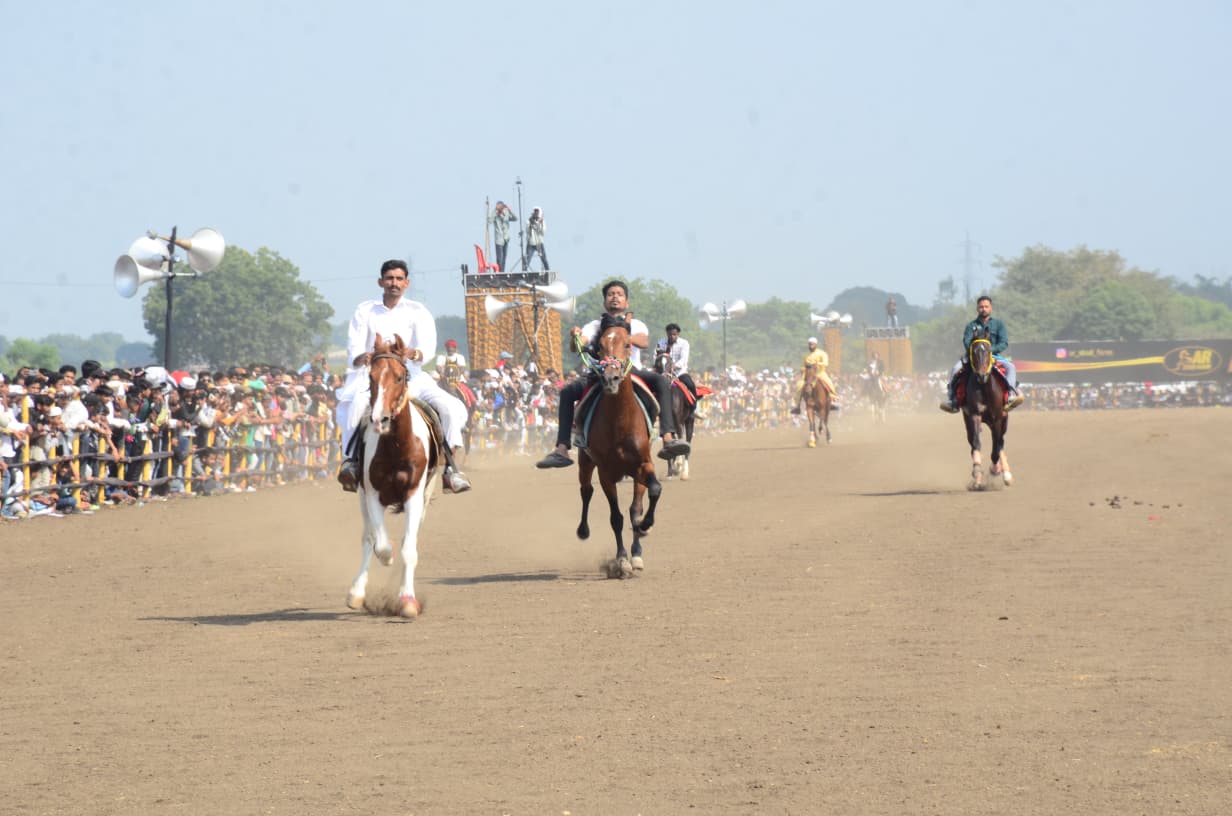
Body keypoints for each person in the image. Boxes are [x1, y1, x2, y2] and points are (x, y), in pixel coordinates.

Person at [335, 259, 472, 493]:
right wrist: (363, 357)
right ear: (381, 281)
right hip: (374, 377)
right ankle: (351, 462)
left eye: (399, 279)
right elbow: (354, 346)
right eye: (389, 278)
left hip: (412, 376)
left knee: (450, 406)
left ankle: (450, 470)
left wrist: (413, 353)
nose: (394, 283)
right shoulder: (364, 310)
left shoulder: (418, 311)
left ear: (406, 283)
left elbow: (427, 348)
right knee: (356, 405)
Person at [536, 279, 691, 468]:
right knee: (567, 392)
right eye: (610, 294)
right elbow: (578, 346)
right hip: (600, 372)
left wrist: (620, 336)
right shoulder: (594, 325)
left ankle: (668, 437)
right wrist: (575, 337)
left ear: (627, 302)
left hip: (630, 370)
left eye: (619, 294)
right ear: (604, 302)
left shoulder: (636, 323)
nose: (615, 297)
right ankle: (562, 448)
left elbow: (643, 341)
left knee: (661, 381)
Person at [939, 294, 1025, 413]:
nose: (983, 309)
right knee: (955, 368)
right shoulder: (971, 326)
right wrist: (976, 351)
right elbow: (967, 341)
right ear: (977, 309)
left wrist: (989, 351)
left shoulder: (998, 325)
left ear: (991, 308)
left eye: (986, 306)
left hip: (993, 356)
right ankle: (952, 400)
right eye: (981, 307)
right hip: (973, 357)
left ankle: (1010, 395)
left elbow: (1004, 342)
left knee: (1011, 367)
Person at [790, 337, 840, 414]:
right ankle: (797, 406)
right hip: (808, 375)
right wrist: (802, 369)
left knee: (829, 383)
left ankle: (833, 401)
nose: (810, 346)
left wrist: (816, 364)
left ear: (816, 344)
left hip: (820, 373)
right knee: (799, 385)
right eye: (809, 344)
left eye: (812, 344)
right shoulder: (806, 355)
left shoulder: (822, 353)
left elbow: (825, 363)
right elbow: (802, 366)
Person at [655, 323, 698, 399]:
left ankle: (693, 404)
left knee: (690, 384)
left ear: (678, 334)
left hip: (679, 373)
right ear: (667, 334)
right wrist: (661, 366)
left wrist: (673, 367)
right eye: (669, 334)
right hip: (663, 372)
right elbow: (656, 356)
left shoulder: (684, 343)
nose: (672, 336)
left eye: (674, 334)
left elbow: (684, 359)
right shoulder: (661, 342)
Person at [489, 200, 517, 272]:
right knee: (499, 258)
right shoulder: (495, 215)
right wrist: (495, 210)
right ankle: (499, 272)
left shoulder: (506, 213)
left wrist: (509, 210)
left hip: (506, 239)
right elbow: (489, 220)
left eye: (501, 206)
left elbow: (515, 218)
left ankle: (502, 271)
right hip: (499, 239)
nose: (500, 208)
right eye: (499, 206)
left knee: (504, 257)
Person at [524, 206, 549, 271]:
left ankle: (548, 271)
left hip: (539, 242)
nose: (536, 213)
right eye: (535, 211)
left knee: (544, 259)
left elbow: (543, 232)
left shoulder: (542, 221)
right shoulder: (529, 220)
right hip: (531, 243)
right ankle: (524, 272)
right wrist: (531, 224)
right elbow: (527, 231)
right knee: (527, 259)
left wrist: (538, 224)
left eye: (537, 212)